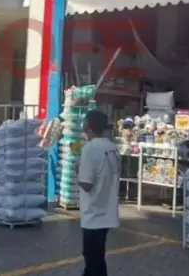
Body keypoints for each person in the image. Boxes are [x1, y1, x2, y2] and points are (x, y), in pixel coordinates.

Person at [78, 110, 120, 276]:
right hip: (107, 212)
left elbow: (87, 184)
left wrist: (78, 173)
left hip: (93, 213)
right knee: (97, 258)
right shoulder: (112, 148)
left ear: (88, 126)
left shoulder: (90, 149)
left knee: (92, 259)